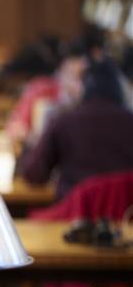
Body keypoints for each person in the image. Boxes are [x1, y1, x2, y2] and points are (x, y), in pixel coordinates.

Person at [22, 58, 133, 200]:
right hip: (125, 216)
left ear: (85, 88)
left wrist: (29, 146)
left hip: (73, 216)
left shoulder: (64, 120)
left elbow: (34, 175)